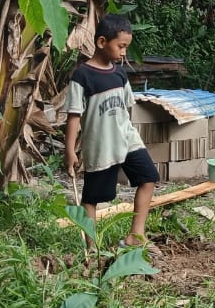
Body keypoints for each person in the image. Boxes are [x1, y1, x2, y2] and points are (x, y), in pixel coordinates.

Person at [63, 14, 159, 248]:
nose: (124, 52)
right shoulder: (82, 76)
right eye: (121, 46)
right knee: (91, 198)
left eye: (126, 47)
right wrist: (70, 151)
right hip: (101, 146)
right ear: (101, 42)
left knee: (149, 177)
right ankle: (92, 247)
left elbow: (126, 108)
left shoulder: (119, 73)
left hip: (127, 139)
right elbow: (74, 116)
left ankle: (135, 236)